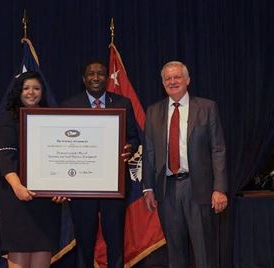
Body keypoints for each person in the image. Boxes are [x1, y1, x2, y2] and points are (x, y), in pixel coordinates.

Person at [142, 61, 228, 268]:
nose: (172, 82)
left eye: (177, 77)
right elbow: (149, 153)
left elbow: (218, 149)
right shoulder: (153, 111)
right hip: (167, 190)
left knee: (204, 252)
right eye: (168, 79)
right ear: (163, 83)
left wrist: (220, 188)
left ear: (187, 80)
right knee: (175, 252)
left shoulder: (207, 108)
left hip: (199, 188)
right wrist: (147, 187)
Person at [61, 60, 139, 268]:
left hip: (113, 184)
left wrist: (129, 148)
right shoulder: (70, 105)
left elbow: (134, 137)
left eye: (100, 74)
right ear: (84, 79)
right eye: (91, 74)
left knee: (115, 241)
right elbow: (63, 143)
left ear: (107, 78)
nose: (96, 77)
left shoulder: (122, 103)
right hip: (82, 186)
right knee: (84, 242)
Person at [0, 71, 63, 268]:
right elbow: (4, 156)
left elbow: (60, 157)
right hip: (17, 198)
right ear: (18, 91)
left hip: (45, 202)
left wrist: (61, 188)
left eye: (36, 88)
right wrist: (17, 187)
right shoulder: (8, 118)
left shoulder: (52, 117)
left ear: (43, 92)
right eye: (26, 88)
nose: (31, 92)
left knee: (42, 253)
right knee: (20, 254)